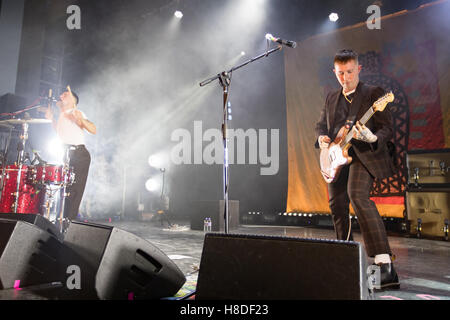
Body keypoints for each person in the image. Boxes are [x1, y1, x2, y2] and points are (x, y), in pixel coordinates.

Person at [315, 49, 399, 290]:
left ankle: (385, 265)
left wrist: (373, 137)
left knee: (358, 195)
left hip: (364, 155)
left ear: (358, 69)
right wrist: (322, 138)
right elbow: (321, 125)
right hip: (336, 156)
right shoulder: (331, 97)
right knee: (336, 204)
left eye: (350, 72)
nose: (345, 77)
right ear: (334, 72)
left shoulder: (374, 94)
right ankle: (345, 256)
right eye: (340, 73)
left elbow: (387, 128)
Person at [45, 89, 96, 225]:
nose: (61, 95)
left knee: (74, 191)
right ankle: (62, 220)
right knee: (65, 189)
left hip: (79, 154)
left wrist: (81, 120)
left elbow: (93, 129)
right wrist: (51, 120)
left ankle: (69, 222)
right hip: (67, 154)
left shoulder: (75, 112)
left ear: (73, 101)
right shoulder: (63, 115)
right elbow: (60, 133)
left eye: (65, 94)